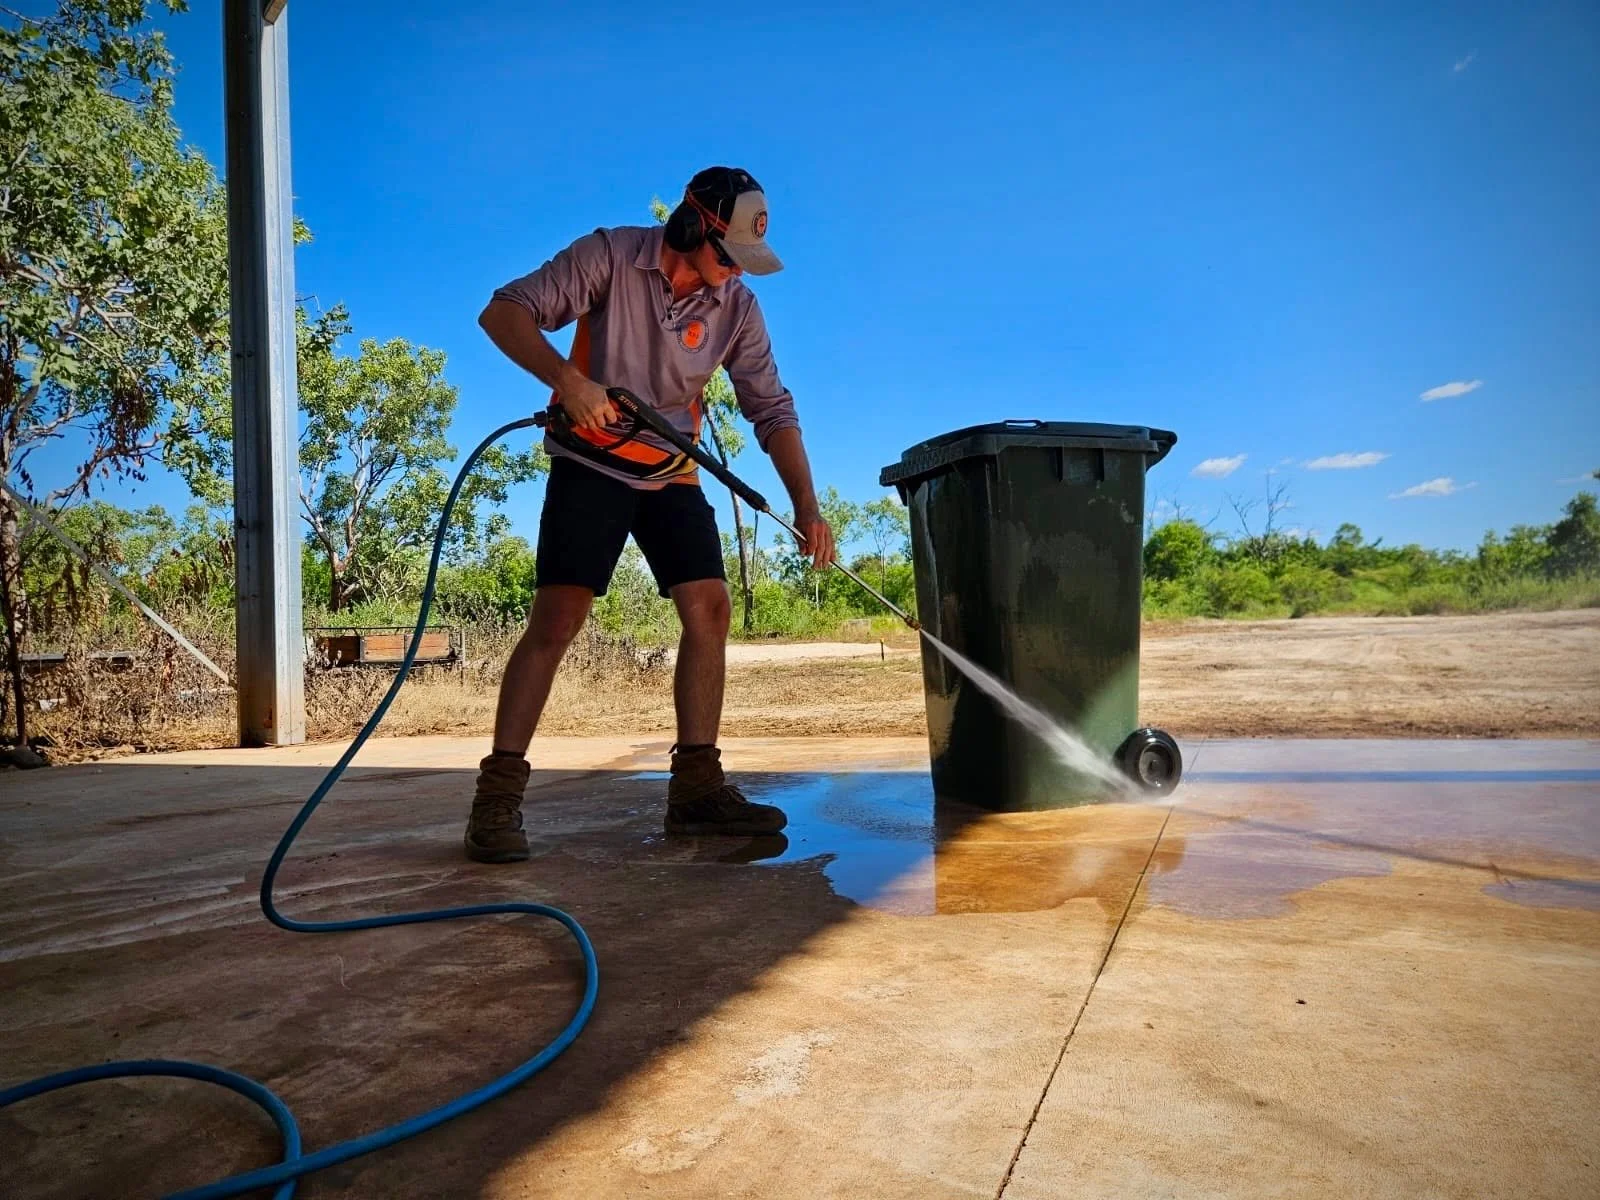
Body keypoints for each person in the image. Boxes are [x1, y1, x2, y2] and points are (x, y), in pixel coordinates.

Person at [463, 166, 836, 864]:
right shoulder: (609, 254)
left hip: (670, 470)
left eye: (744, 266)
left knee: (711, 608)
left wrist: (808, 506)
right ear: (692, 226)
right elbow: (503, 311)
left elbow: (771, 408)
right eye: (727, 257)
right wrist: (568, 380)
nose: (731, 277)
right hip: (592, 462)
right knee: (559, 617)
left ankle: (696, 793)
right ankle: (497, 799)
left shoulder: (738, 309)